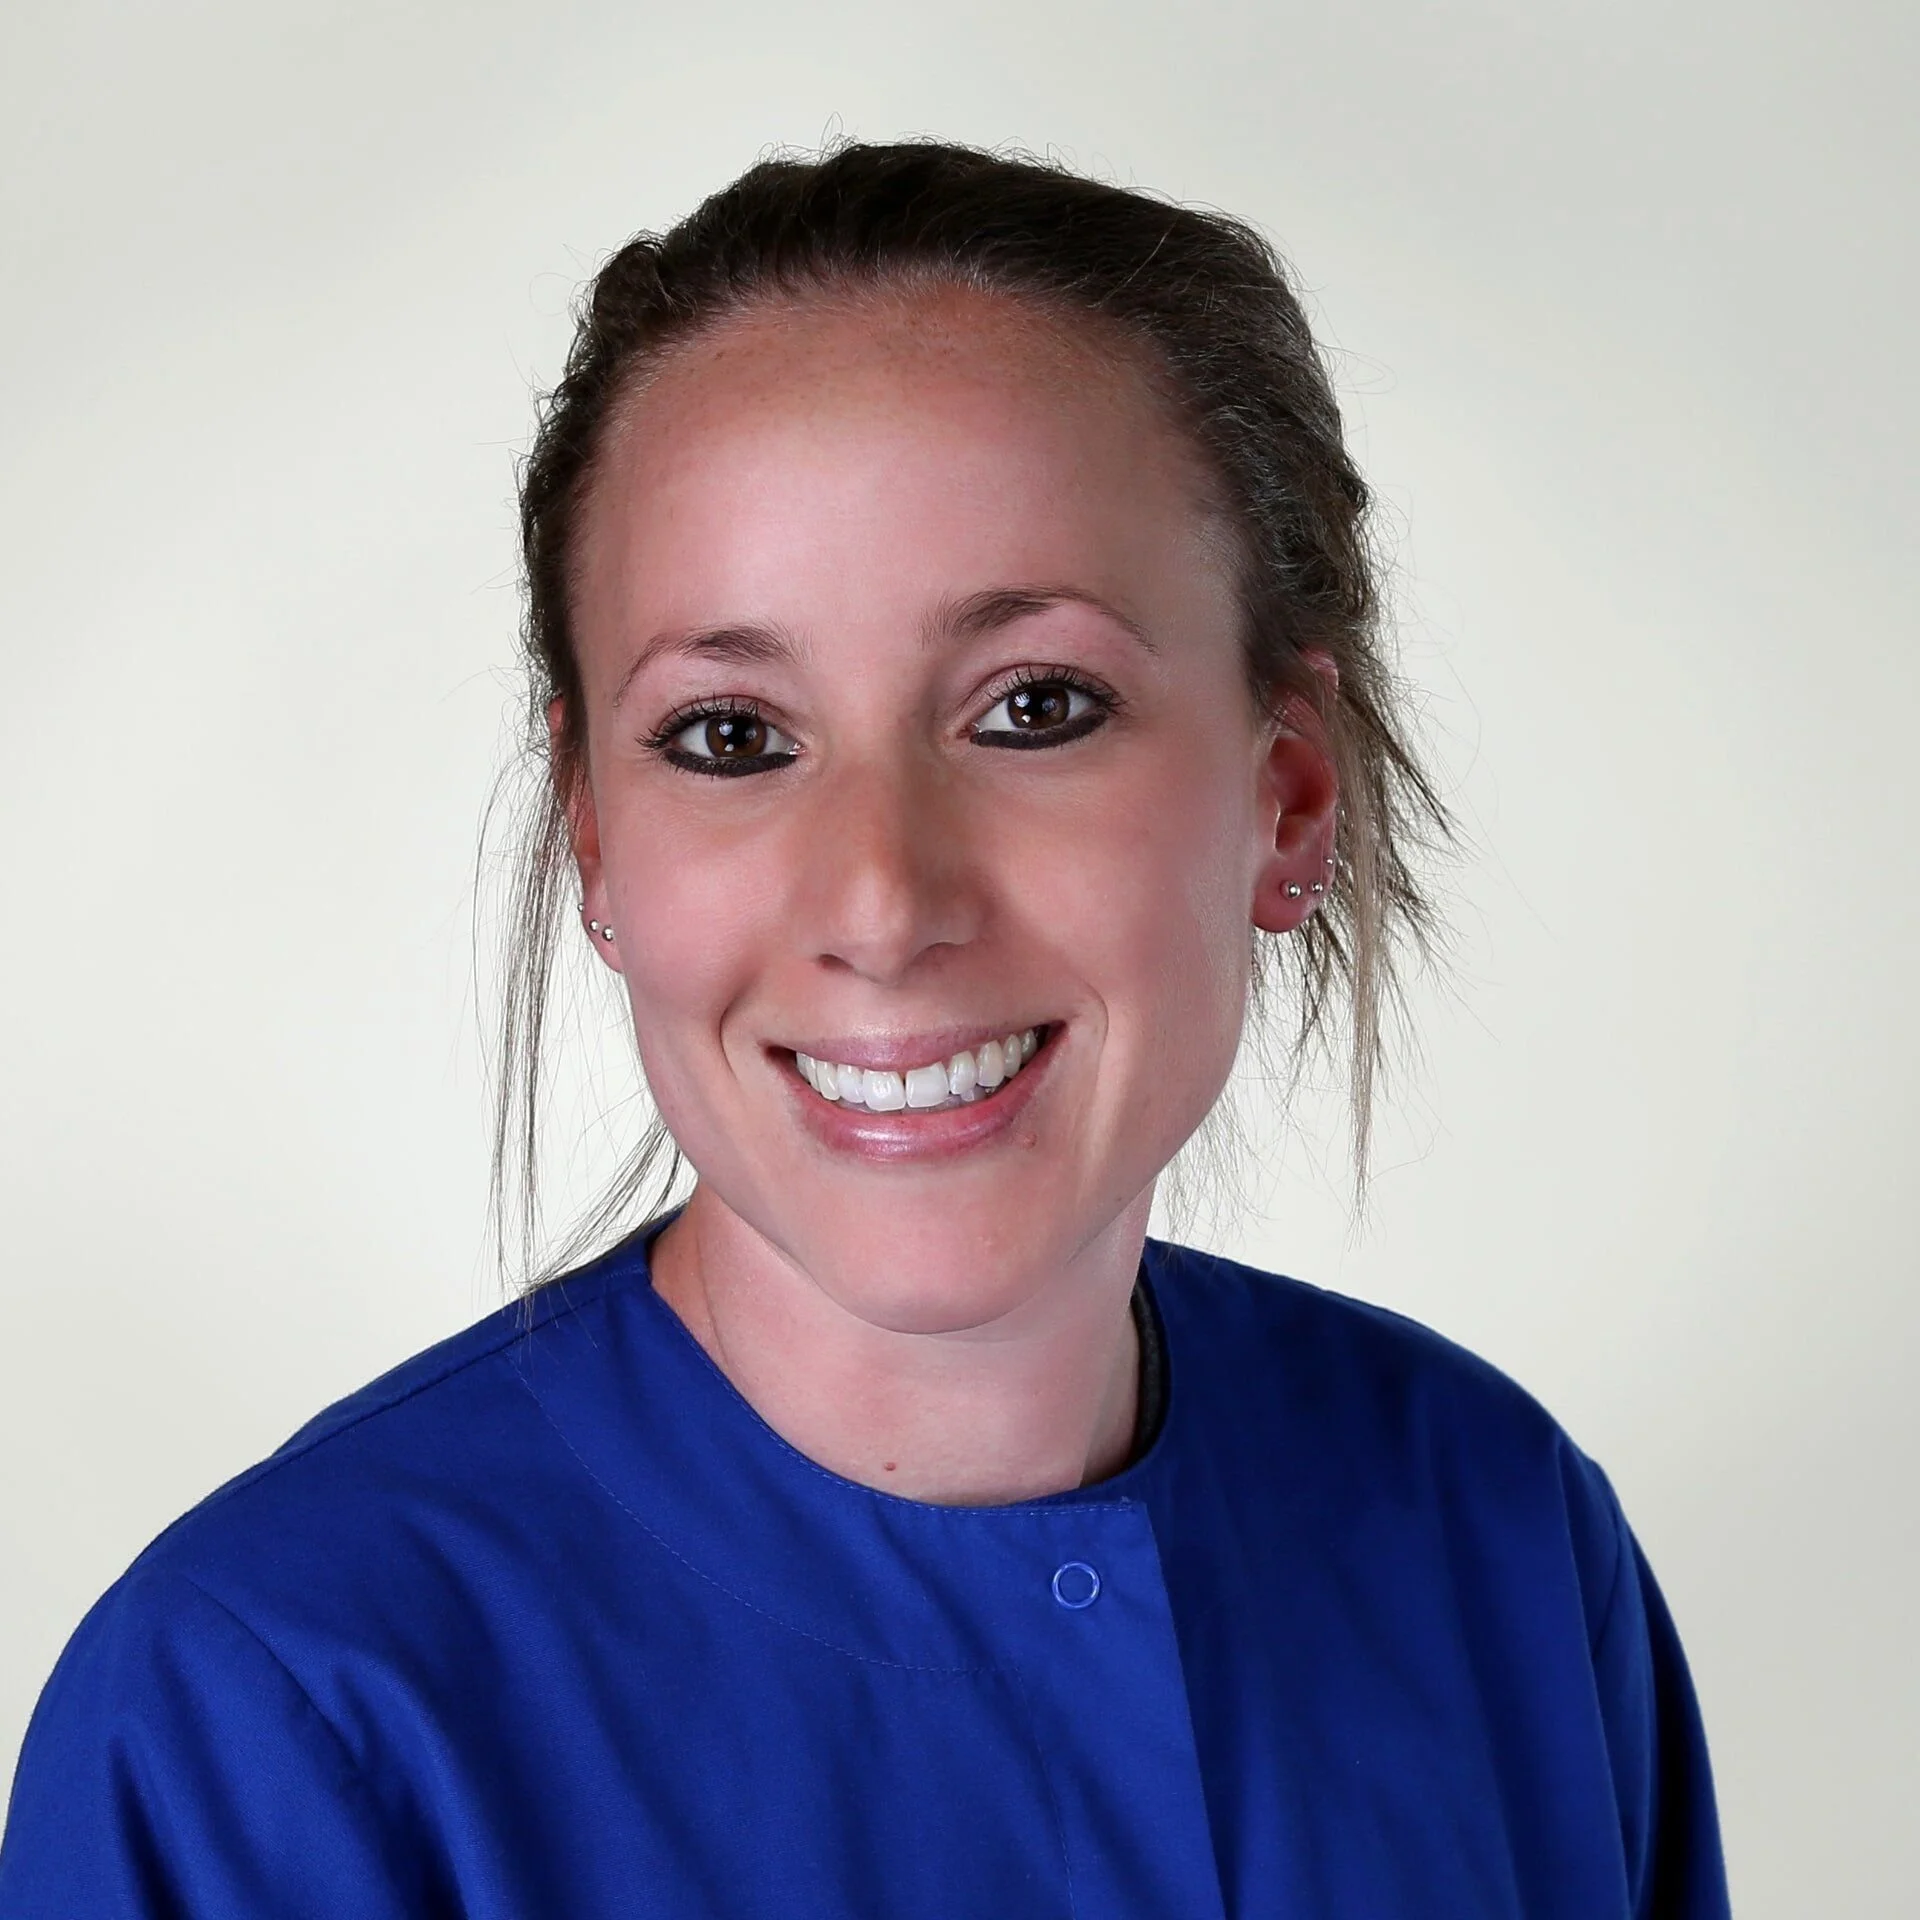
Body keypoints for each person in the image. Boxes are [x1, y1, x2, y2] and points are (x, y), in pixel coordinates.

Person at [0, 141, 1730, 1917]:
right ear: (596, 836)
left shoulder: (1499, 1537)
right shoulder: (258, 1726)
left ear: (1287, 794)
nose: (885, 904)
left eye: (1035, 706)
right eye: (732, 736)